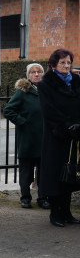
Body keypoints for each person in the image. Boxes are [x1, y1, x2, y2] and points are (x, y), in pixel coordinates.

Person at [37, 48, 80, 227]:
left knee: (70, 173)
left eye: (68, 62)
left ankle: (67, 211)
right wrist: (66, 125)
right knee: (56, 173)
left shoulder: (77, 81)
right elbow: (48, 109)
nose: (66, 65)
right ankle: (55, 213)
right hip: (57, 135)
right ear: (53, 65)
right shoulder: (45, 83)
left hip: (75, 135)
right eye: (62, 62)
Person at [4, 63, 49, 209]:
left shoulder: (47, 90)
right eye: (33, 72)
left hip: (44, 138)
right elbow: (8, 110)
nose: (36, 74)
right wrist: (23, 122)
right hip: (28, 138)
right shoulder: (23, 91)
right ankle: (25, 197)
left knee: (43, 171)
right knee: (26, 171)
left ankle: (42, 198)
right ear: (28, 75)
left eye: (39, 72)